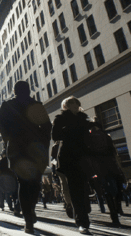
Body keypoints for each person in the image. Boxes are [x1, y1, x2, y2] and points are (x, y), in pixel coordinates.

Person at [0, 81, 52, 234]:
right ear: (29, 90)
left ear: (14, 90)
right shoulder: (36, 105)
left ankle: (28, 218)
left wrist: (9, 140)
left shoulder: (8, 106)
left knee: (25, 183)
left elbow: (2, 127)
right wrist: (44, 142)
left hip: (19, 150)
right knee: (34, 183)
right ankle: (29, 215)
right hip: (34, 150)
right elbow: (47, 127)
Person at [52, 96, 97, 235]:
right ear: (66, 106)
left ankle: (84, 214)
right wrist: (70, 130)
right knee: (75, 190)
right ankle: (82, 222)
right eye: (71, 103)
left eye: (76, 103)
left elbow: (90, 138)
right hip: (69, 158)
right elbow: (55, 136)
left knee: (83, 188)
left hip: (84, 157)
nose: (75, 106)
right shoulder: (60, 119)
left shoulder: (84, 119)